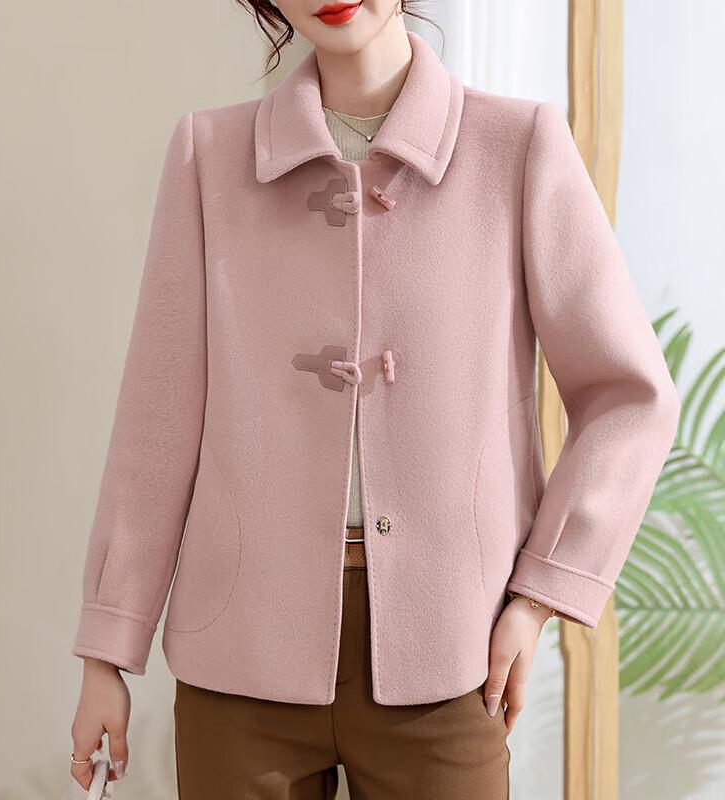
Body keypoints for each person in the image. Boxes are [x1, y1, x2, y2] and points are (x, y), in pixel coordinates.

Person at [69, 2, 681, 797]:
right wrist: (106, 653)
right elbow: (156, 422)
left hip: (449, 657)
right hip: (240, 661)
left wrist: (537, 598)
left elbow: (629, 396)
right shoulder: (208, 156)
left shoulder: (517, 146)